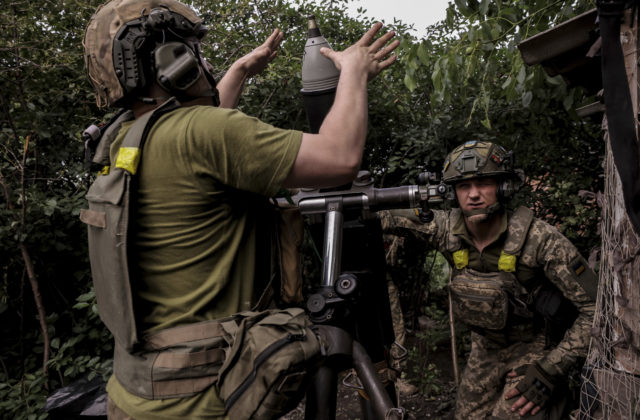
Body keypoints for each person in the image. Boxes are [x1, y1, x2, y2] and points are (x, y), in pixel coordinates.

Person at [81, 0, 399, 418]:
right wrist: (354, 72)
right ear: (169, 60)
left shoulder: (122, 139)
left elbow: (201, 143)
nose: (204, 60)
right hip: (203, 400)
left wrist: (239, 73)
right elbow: (339, 156)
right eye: (193, 49)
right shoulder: (205, 132)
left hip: (138, 394)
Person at [381, 140, 597, 419]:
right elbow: (385, 215)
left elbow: (594, 309)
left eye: (483, 183)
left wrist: (551, 370)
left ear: (504, 186)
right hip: (485, 349)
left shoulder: (539, 240)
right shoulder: (446, 229)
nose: (473, 195)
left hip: (533, 348)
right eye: (463, 186)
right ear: (452, 193)